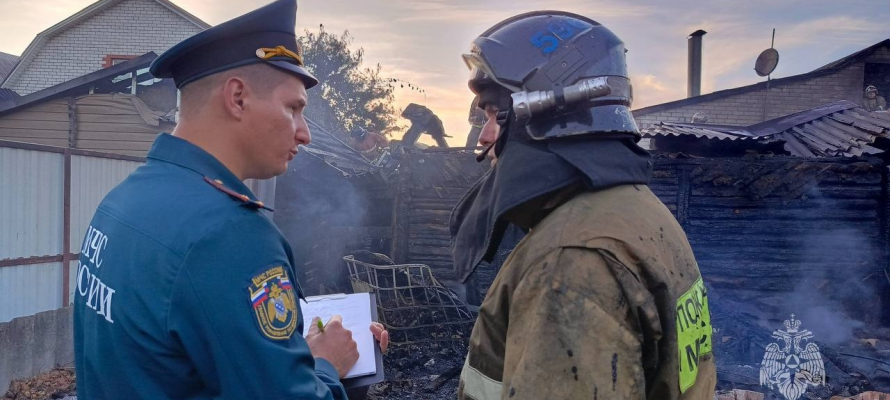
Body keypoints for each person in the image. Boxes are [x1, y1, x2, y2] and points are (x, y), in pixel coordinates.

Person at [72, 1, 388, 399]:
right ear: (237, 98)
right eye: (293, 108)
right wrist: (326, 365)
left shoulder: (124, 199)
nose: (304, 133)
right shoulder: (230, 233)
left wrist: (287, 355)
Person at [450, 11, 716, 399]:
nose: (485, 135)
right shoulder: (637, 210)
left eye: (493, 113)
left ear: (541, 111)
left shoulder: (570, 260)